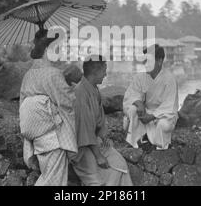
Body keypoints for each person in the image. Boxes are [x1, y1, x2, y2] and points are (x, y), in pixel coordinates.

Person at [19, 29, 78, 186]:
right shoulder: (53, 74)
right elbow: (69, 104)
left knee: (49, 177)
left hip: (36, 136)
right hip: (54, 136)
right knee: (54, 182)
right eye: (58, 47)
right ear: (48, 49)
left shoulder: (28, 75)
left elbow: (22, 105)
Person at [72, 55, 133, 186]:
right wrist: (99, 156)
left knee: (120, 163)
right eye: (104, 70)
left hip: (95, 140)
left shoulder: (94, 89)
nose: (105, 74)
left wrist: (103, 138)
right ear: (96, 71)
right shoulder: (80, 93)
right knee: (98, 178)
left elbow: (98, 122)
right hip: (81, 147)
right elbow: (84, 130)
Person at [123, 44, 179, 150]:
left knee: (163, 125)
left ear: (159, 61)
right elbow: (132, 94)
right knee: (132, 109)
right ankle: (136, 140)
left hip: (163, 115)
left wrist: (152, 116)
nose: (145, 64)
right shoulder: (141, 77)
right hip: (146, 112)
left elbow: (170, 106)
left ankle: (160, 145)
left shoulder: (170, 79)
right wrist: (139, 104)